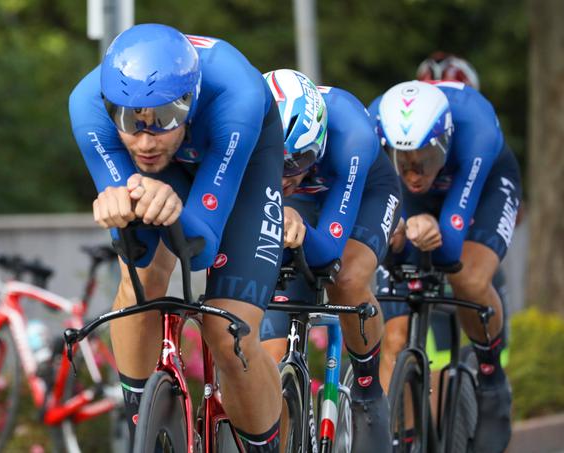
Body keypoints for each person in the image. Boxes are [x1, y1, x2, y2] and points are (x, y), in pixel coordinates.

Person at [69, 23, 285, 452]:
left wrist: (172, 206)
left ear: (190, 101)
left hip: (239, 170)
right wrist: (118, 206)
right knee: (139, 278)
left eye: (165, 119)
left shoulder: (234, 93)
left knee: (229, 330)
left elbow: (200, 246)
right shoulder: (86, 104)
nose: (146, 139)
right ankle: (140, 432)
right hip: (165, 175)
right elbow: (135, 241)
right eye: (131, 121)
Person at [370, 80, 521, 453]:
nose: (414, 174)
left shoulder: (477, 130)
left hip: (483, 187)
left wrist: (433, 232)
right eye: (403, 162)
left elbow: (450, 245)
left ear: (444, 141)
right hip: (414, 206)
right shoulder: (372, 127)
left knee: (467, 276)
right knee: (393, 337)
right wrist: (399, 235)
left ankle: (491, 379)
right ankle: (401, 440)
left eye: (425, 160)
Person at [259, 69, 401, 452]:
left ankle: (368, 390)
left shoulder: (351, 135)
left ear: (318, 145)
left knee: (347, 279)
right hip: (302, 204)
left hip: (364, 191)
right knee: (269, 358)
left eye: (296, 162)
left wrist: (297, 220)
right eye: (274, 163)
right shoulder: (246, 127)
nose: (284, 176)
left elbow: (327, 255)